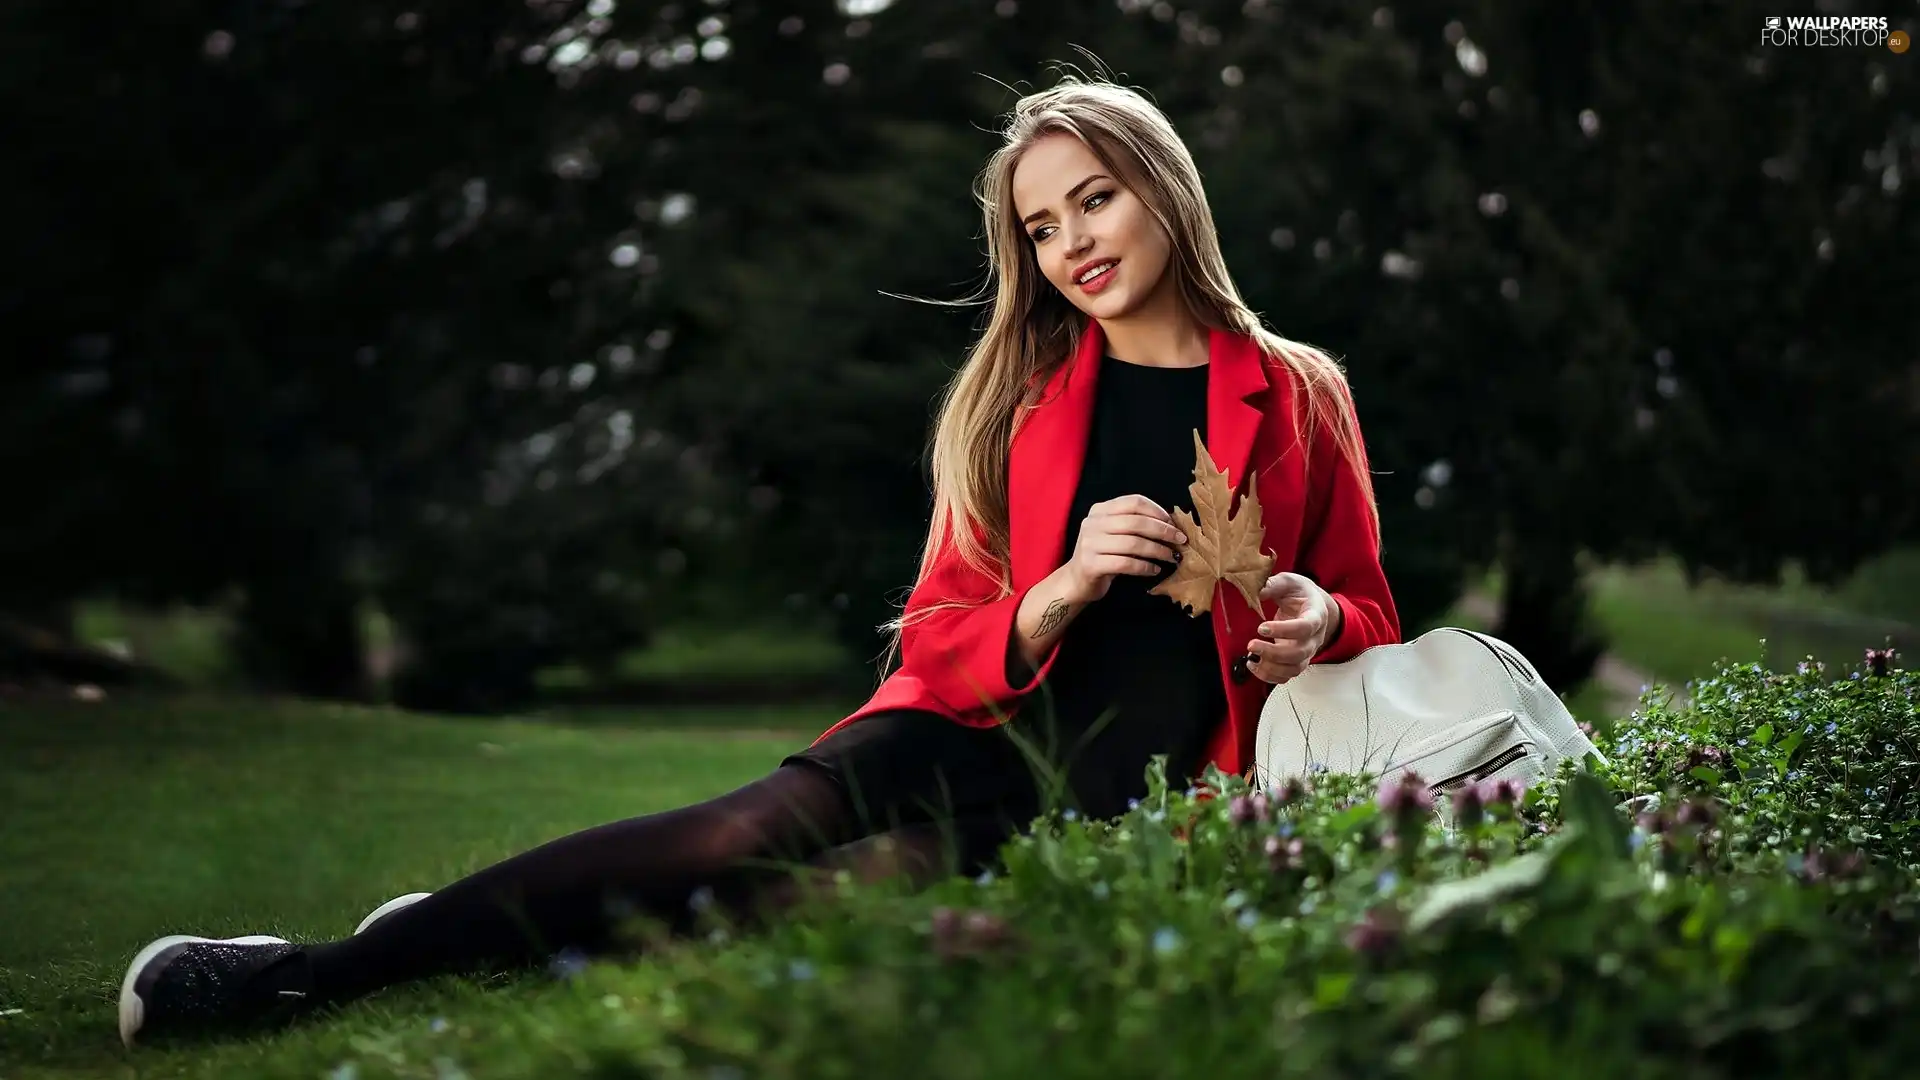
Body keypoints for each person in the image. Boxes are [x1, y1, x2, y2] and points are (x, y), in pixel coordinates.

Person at [114, 75, 1401, 1048]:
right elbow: (942, 626)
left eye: (1096, 198)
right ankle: (310, 972)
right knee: (745, 830)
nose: (1073, 240)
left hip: (1139, 786)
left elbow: (1370, 611)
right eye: (1043, 222)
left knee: (807, 909)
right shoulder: (1015, 399)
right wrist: (1056, 589)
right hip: (976, 725)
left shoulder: (1298, 392)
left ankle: (460, 928)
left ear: (1164, 186)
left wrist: (1313, 616)